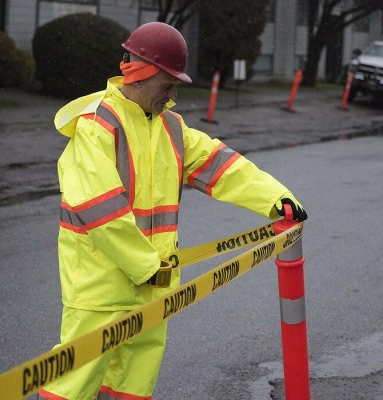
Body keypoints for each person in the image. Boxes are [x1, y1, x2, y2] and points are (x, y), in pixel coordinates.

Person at [39, 22, 307, 400]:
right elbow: (98, 209)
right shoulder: (98, 126)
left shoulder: (170, 127)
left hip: (153, 287)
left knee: (133, 383)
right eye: (168, 85)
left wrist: (276, 198)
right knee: (74, 381)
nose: (173, 94)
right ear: (139, 75)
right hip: (100, 288)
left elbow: (221, 166)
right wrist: (145, 267)